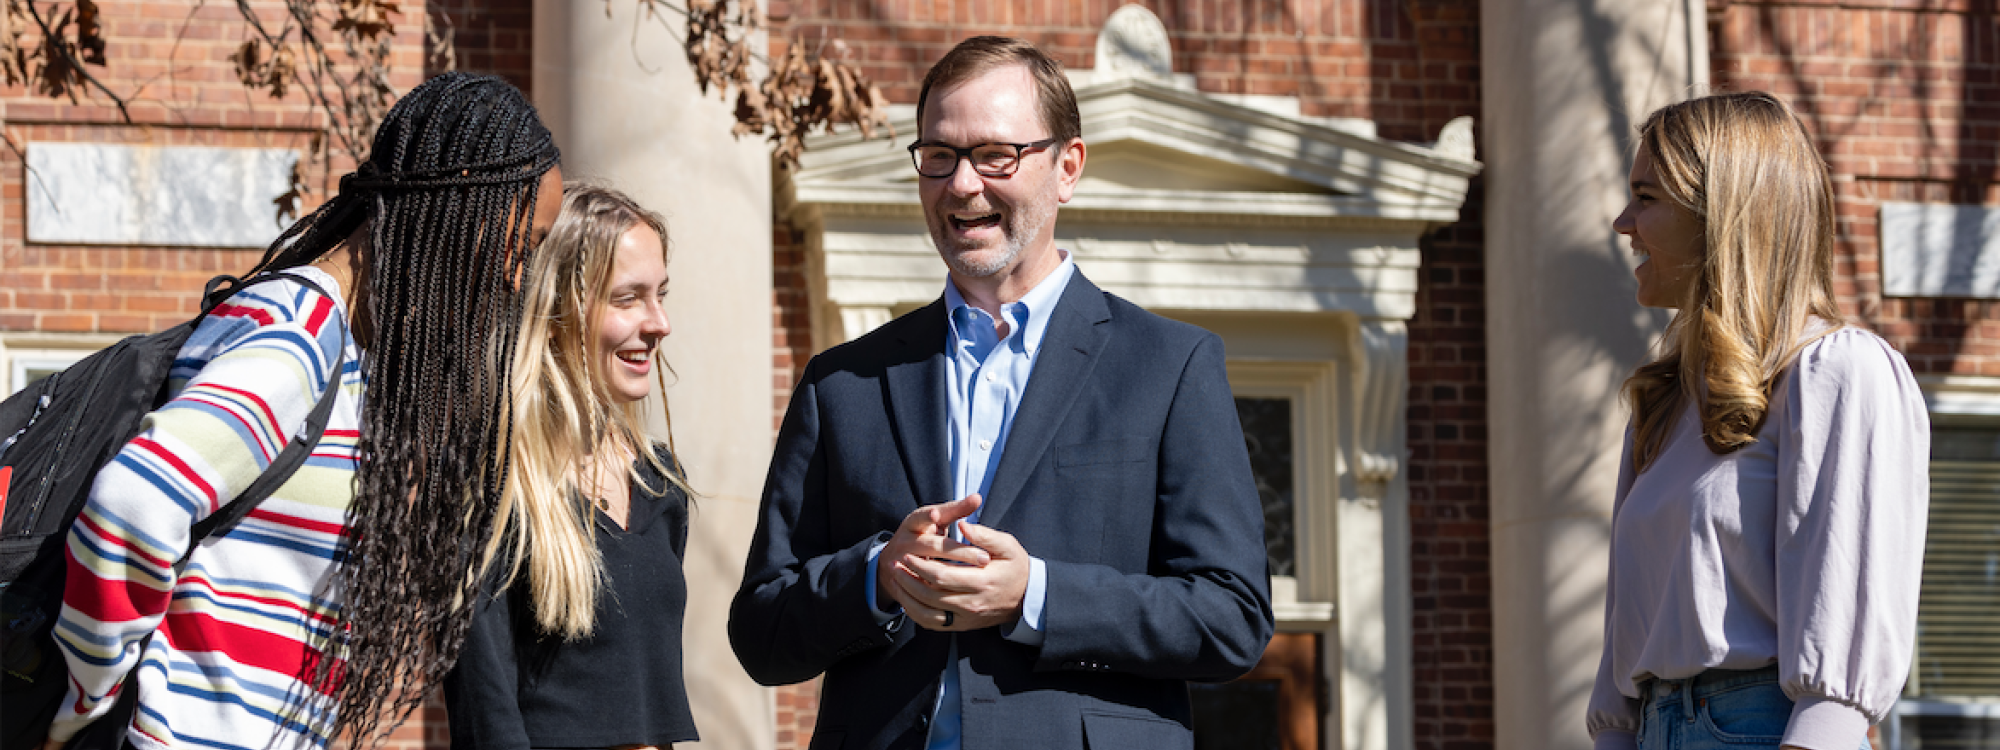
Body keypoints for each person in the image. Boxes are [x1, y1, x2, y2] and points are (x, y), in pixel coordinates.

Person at [729, 35, 1274, 750]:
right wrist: (877, 577)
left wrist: (1036, 596)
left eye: (996, 156)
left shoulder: (1169, 367)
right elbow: (762, 632)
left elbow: (1232, 617)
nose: (962, 184)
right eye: (939, 156)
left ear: (1067, 167)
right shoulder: (844, 382)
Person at [44, 72, 562, 749]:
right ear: (462, 193)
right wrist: (84, 704)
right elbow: (133, 505)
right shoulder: (301, 331)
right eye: (522, 247)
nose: (518, 278)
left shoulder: (351, 347)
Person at [1587, 92, 1929, 750]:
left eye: (1647, 197)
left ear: (1721, 212)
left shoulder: (1835, 372)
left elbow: (1841, 674)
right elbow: (1626, 658)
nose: (1622, 221)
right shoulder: (1662, 406)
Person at [443, 184, 698, 749]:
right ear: (558, 308)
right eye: (628, 298)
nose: (659, 324)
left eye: (660, 295)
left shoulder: (660, 483)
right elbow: (487, 717)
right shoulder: (496, 485)